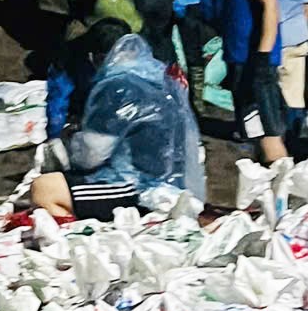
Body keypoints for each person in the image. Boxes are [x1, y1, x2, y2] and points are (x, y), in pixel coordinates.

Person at [28, 34, 203, 221]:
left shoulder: (117, 87)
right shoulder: (160, 79)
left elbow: (91, 156)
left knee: (43, 188)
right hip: (174, 183)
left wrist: (71, 144)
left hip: (139, 188)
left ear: (97, 57)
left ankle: (78, 234)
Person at [205, 0, 287, 166]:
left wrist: (263, 55)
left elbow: (271, 8)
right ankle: (263, 179)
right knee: (251, 122)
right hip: (238, 56)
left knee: (269, 127)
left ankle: (285, 184)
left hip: (256, 59)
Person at [43, 0, 141, 143]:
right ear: (95, 56)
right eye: (111, 59)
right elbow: (58, 99)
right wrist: (55, 135)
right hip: (84, 108)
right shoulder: (68, 61)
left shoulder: (133, 53)